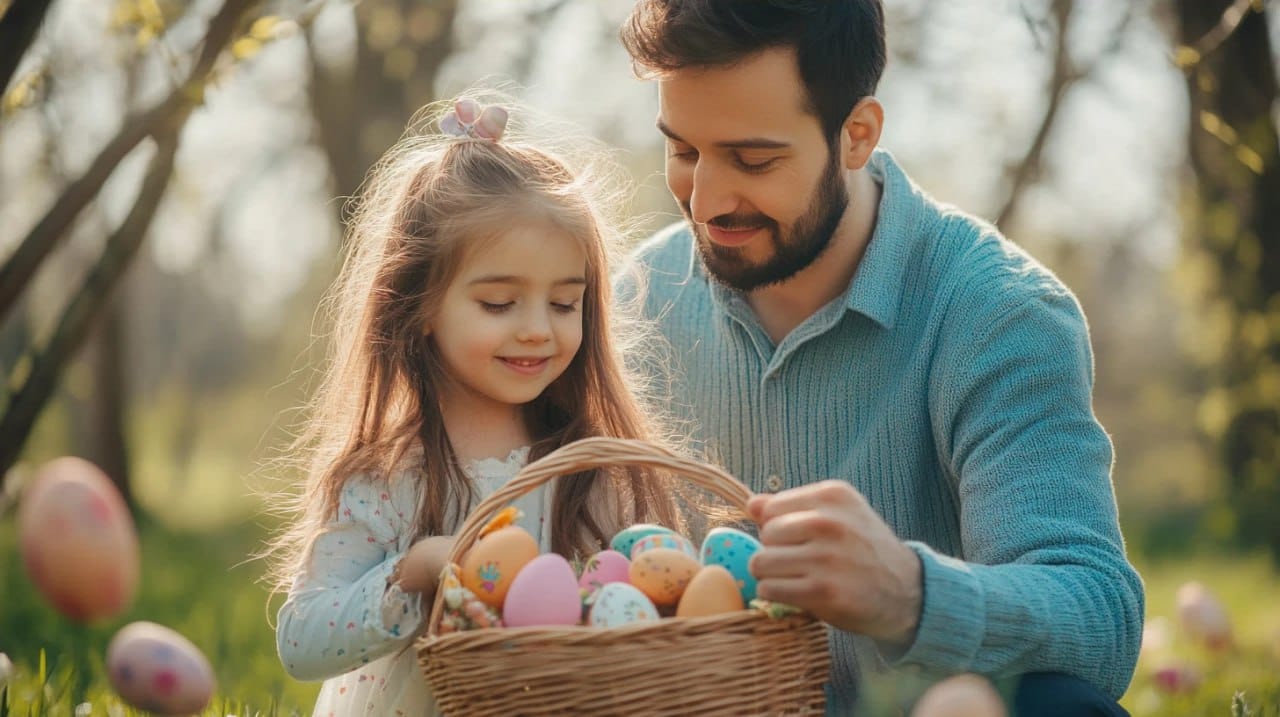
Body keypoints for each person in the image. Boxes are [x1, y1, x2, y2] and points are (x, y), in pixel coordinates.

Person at [616, 2, 1143, 715]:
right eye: (682, 150)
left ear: (857, 134)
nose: (705, 200)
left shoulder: (999, 313)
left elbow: (1099, 620)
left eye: (753, 159)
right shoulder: (637, 307)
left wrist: (908, 592)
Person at [267, 95, 684, 715]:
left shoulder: (585, 466)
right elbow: (300, 641)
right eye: (499, 303)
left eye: (565, 304)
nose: (538, 329)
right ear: (421, 304)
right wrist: (410, 571)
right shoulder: (388, 476)